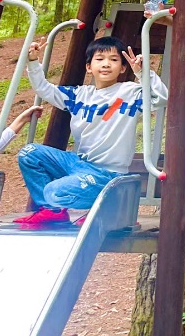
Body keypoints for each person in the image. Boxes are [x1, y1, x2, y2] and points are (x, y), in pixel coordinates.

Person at [13, 36, 165, 226]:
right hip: (79, 163)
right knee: (29, 153)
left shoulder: (131, 92)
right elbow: (44, 89)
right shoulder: (79, 95)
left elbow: (161, 99)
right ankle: (52, 211)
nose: (106, 64)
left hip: (107, 173)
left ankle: (107, 209)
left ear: (123, 68)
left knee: (54, 191)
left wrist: (143, 73)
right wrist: (33, 61)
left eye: (114, 60)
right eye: (100, 59)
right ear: (89, 67)